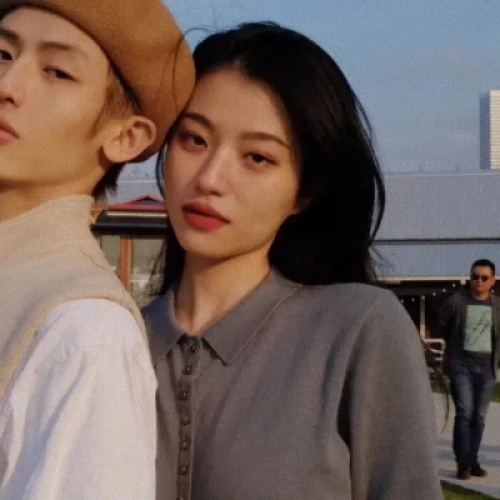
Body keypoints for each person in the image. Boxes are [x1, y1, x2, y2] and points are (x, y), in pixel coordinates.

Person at [144, 22, 441, 500]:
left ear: (305, 191)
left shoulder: (357, 330)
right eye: (194, 139)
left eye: (257, 158)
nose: (210, 178)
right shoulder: (111, 342)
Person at [0, 0, 194, 498]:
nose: (7, 86)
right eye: (2, 54)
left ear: (126, 137)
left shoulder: (86, 331)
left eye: (57, 72)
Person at [438, 258, 500, 480]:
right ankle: (463, 462)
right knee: (464, 414)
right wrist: (453, 349)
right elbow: (442, 324)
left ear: (492, 281)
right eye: (475, 276)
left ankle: (472, 459)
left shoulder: (497, 306)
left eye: (484, 277)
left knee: (479, 417)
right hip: (461, 366)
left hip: (487, 369)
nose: (479, 281)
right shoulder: (457, 301)